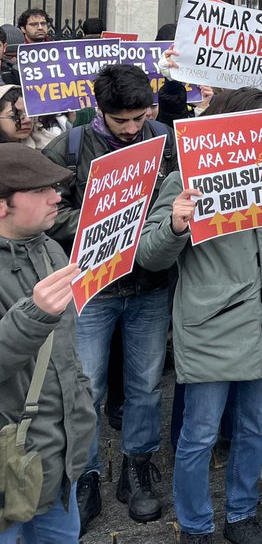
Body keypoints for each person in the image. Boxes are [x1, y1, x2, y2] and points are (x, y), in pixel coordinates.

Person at [138, 87, 262, 544]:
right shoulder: (187, 178)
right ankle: (195, 526)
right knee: (199, 435)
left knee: (254, 426)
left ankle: (241, 515)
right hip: (212, 328)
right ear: (234, 128)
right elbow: (150, 256)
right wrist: (176, 224)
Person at [41, 64, 177, 531]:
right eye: (123, 121)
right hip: (93, 288)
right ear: (101, 112)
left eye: (140, 118)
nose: (133, 128)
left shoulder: (164, 139)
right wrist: (99, 220)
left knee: (143, 386)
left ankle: (138, 466)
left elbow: (185, 193)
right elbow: (47, 212)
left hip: (149, 287)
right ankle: (87, 473)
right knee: (88, 387)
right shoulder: (71, 146)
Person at [0, 146, 94, 542]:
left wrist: (83, 401)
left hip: (58, 462)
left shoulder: (49, 247)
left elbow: (65, 351)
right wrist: (32, 315)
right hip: (8, 467)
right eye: (40, 191)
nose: (57, 196)